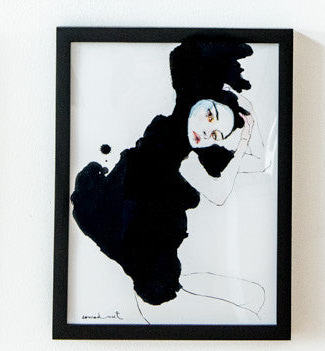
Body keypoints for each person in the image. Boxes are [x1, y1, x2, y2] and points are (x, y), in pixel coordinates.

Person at [70, 34, 269, 320]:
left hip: (143, 221)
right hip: (127, 207)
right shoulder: (185, 107)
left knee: (160, 286)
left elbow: (260, 164)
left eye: (216, 134)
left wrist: (247, 134)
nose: (206, 131)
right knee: (158, 286)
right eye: (210, 116)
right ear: (203, 100)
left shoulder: (201, 154)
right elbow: (181, 55)